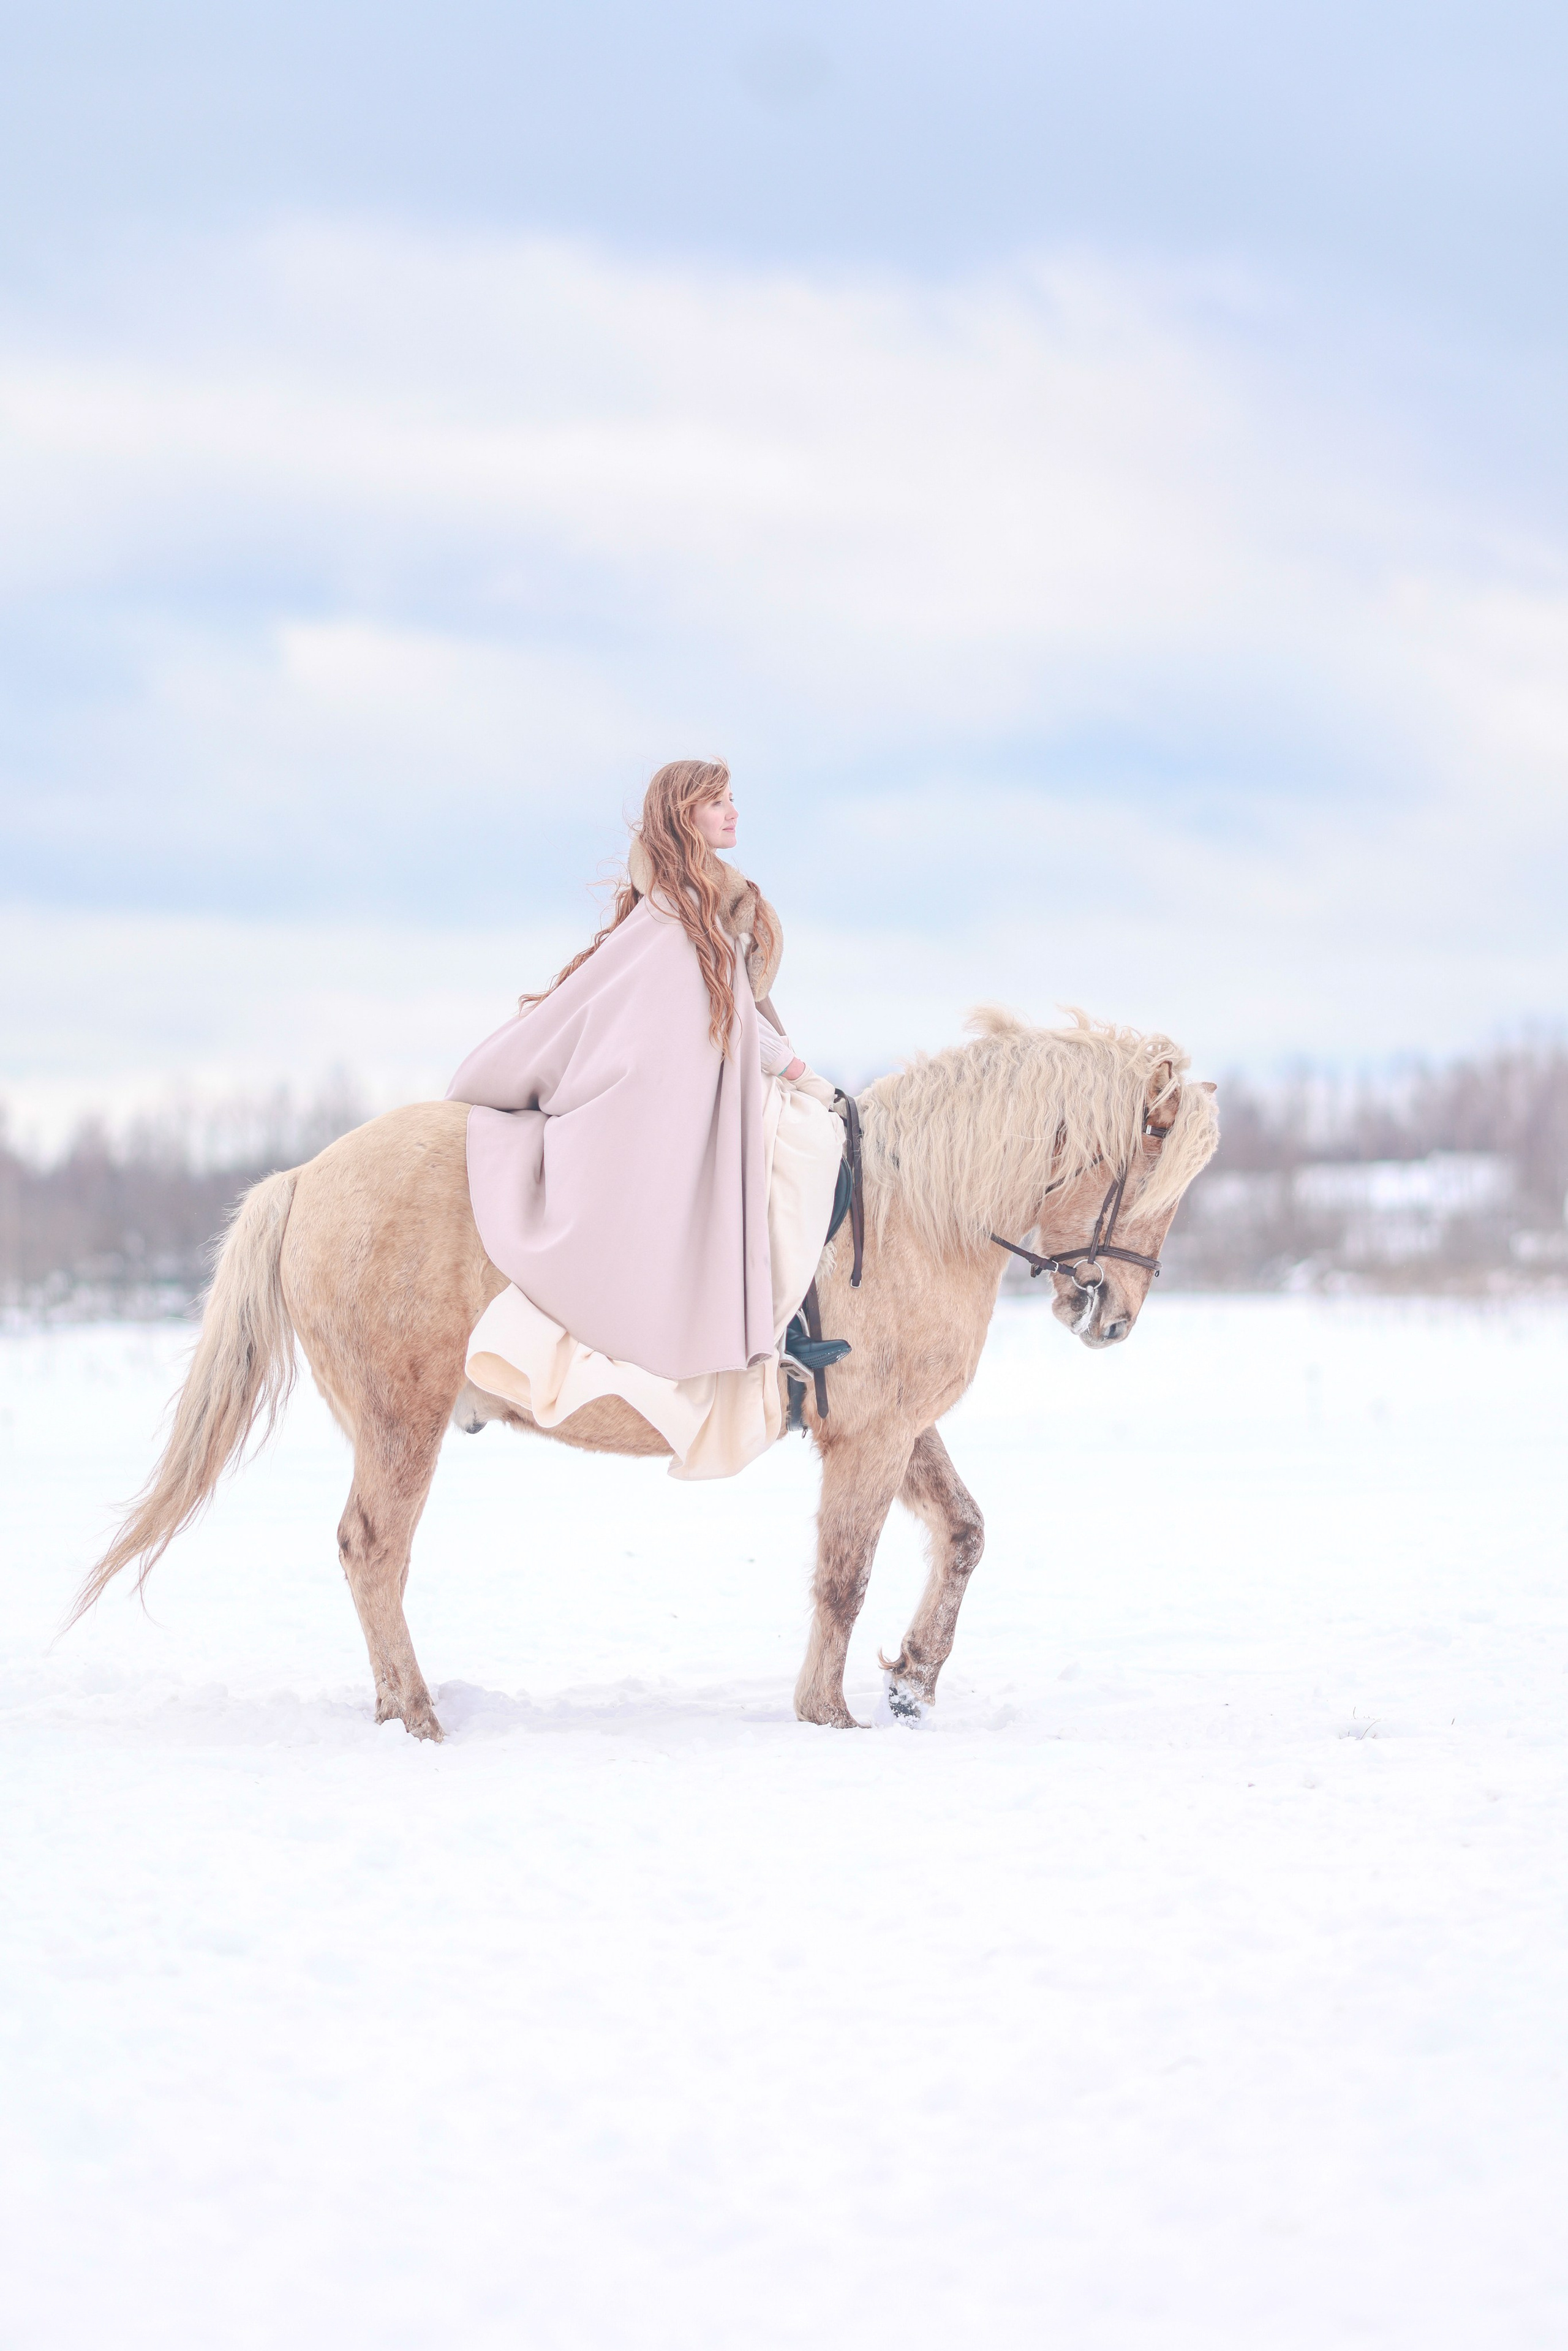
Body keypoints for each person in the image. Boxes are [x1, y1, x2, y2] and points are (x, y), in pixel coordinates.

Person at [446, 758, 848, 1478]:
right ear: (684, 814)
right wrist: (799, 1073)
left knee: (797, 1141)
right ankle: (778, 1332)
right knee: (809, 1147)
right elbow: (720, 1021)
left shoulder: (694, 903)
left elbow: (725, 1014)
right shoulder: (679, 916)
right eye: (717, 803)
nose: (732, 814)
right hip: (659, 1098)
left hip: (699, 1083)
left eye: (733, 801)